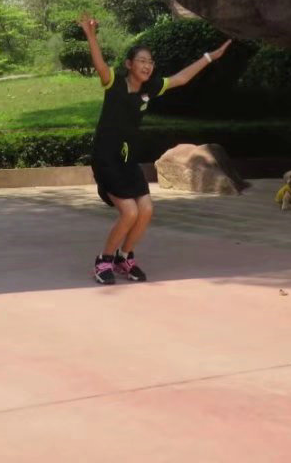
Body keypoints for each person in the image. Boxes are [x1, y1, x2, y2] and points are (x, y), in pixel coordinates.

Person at [79, 14, 231, 285]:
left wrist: (210, 57)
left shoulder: (150, 88)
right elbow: (99, 64)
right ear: (129, 64)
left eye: (150, 61)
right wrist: (91, 35)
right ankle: (103, 261)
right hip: (106, 159)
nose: (148, 66)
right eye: (142, 61)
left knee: (146, 210)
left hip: (128, 160)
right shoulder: (113, 83)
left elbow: (181, 79)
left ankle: (124, 257)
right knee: (130, 212)